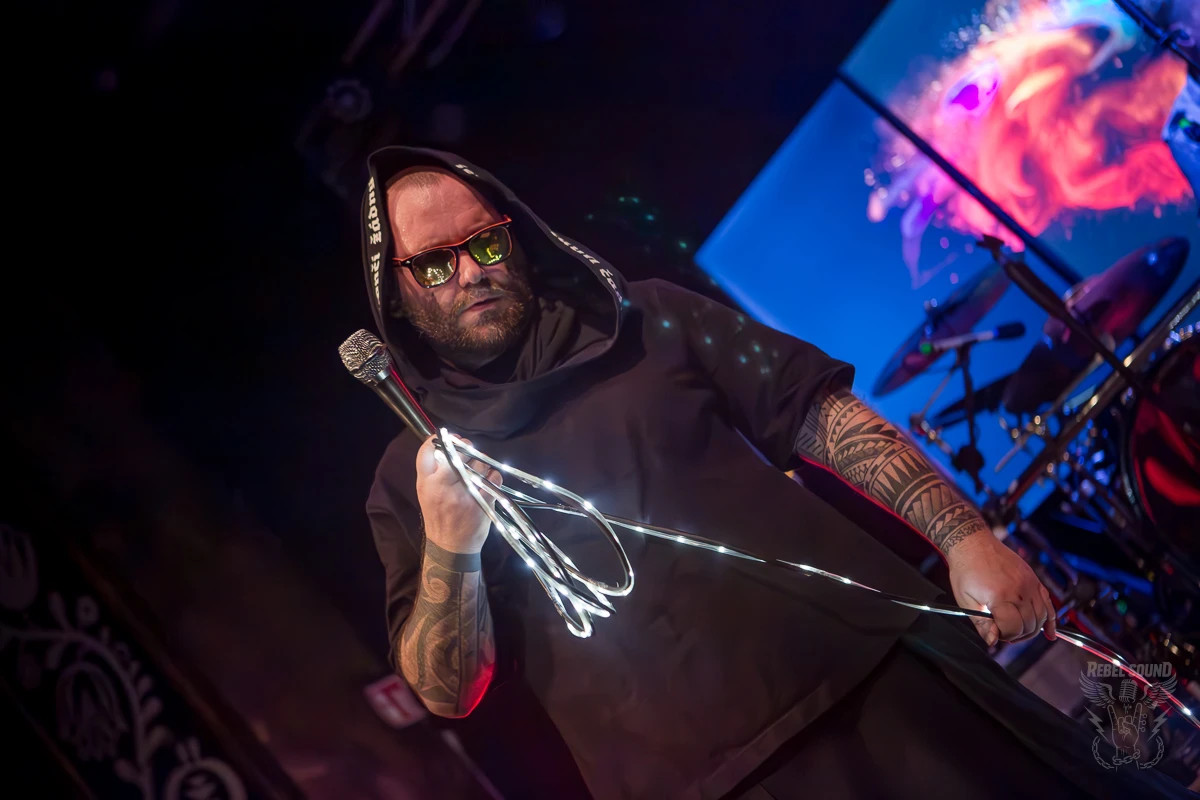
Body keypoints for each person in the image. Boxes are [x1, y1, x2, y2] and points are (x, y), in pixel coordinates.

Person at [359, 147, 1193, 799]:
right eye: (435, 263)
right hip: (710, 783)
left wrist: (966, 536)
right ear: (397, 293)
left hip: (883, 673)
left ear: (516, 235)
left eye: (485, 242)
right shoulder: (411, 476)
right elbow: (447, 691)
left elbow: (818, 414)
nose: (470, 272)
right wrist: (451, 551)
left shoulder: (645, 315)